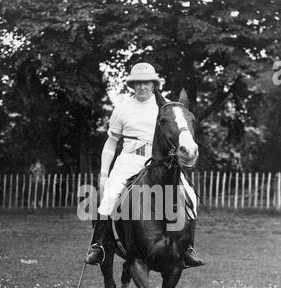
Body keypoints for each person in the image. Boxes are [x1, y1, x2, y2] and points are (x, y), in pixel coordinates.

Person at [84, 62, 204, 267]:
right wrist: (104, 173)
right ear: (132, 85)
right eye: (137, 83)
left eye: (146, 82)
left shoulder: (166, 105)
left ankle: (187, 248)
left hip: (159, 160)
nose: (142, 87)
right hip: (129, 159)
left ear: (153, 83)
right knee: (110, 194)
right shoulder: (122, 108)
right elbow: (111, 143)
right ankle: (100, 246)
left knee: (189, 195)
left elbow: (179, 130)